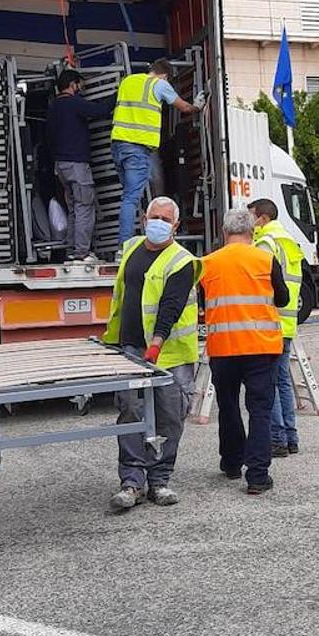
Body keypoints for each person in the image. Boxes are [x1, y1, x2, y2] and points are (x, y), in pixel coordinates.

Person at [101, 196, 200, 510]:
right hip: (130, 347)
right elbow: (122, 297)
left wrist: (156, 342)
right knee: (130, 414)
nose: (157, 222)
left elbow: (170, 306)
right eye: (153, 216)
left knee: (170, 417)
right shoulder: (132, 249)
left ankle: (160, 480)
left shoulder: (181, 260)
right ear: (144, 218)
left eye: (165, 219)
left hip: (169, 353)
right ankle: (132, 482)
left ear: (175, 225)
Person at [199, 208, 289, 495]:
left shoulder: (208, 263)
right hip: (261, 347)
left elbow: (203, 301)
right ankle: (258, 476)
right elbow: (283, 298)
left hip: (223, 348)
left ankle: (231, 462)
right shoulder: (265, 259)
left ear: (224, 233)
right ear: (252, 233)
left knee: (228, 406)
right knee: (260, 410)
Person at [111, 58, 206, 247]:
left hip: (118, 145)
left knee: (129, 197)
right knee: (131, 198)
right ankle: (124, 246)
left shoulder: (128, 81)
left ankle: (128, 241)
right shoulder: (160, 84)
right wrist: (197, 106)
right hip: (138, 148)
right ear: (165, 75)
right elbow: (184, 107)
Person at [249, 198, 304, 458]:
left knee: (268, 383)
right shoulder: (288, 240)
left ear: (262, 218)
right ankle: (291, 437)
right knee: (282, 381)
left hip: (270, 321)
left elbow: (259, 284)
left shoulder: (265, 243)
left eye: (251, 217)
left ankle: (277, 439)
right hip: (288, 321)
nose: (250, 222)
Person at [47, 69, 114, 262]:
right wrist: (118, 94)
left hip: (61, 167)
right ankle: (81, 253)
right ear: (72, 84)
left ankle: (71, 250)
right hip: (77, 164)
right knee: (85, 206)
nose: (81, 90)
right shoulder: (73, 103)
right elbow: (99, 111)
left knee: (74, 209)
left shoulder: (53, 107)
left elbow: (48, 138)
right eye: (80, 86)